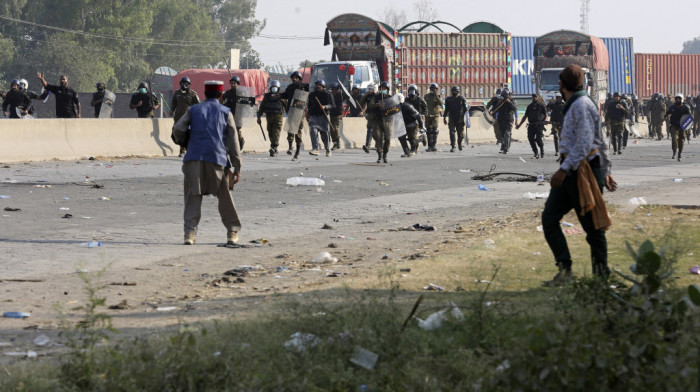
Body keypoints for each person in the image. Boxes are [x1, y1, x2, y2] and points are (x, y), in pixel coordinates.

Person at [542, 64, 617, 287]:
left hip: (580, 171)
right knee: (549, 218)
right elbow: (599, 139)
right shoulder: (577, 104)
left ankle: (601, 280)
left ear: (562, 84)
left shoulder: (581, 105)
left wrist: (564, 169)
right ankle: (565, 271)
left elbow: (586, 142)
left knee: (593, 228)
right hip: (574, 169)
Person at [171, 80, 242, 246]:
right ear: (221, 95)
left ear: (204, 94)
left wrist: (185, 142)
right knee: (225, 198)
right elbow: (233, 142)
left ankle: (189, 234)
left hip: (193, 159)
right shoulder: (225, 112)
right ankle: (232, 232)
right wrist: (237, 167)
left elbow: (177, 129)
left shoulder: (193, 110)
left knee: (192, 198)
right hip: (217, 160)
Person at [171, 77, 200, 157]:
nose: (184, 85)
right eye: (182, 83)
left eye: (186, 83)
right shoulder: (177, 93)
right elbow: (173, 103)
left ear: (189, 84)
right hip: (178, 117)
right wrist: (171, 111)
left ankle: (184, 151)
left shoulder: (193, 94)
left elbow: (198, 105)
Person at [365, 81, 394, 163]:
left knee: (387, 139)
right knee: (378, 137)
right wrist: (378, 105)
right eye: (381, 88)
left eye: (384, 88)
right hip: (377, 120)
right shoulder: (376, 97)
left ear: (387, 89)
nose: (383, 89)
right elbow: (370, 105)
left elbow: (394, 108)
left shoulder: (390, 97)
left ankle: (385, 154)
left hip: (387, 121)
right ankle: (379, 155)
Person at [281, 71, 308, 156]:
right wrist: (277, 95)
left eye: (296, 78)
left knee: (298, 130)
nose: (294, 79)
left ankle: (298, 150)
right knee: (290, 129)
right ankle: (290, 147)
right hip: (291, 111)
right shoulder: (290, 87)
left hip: (300, 111)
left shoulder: (304, 86)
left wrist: (303, 88)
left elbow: (309, 93)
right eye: (293, 77)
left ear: (299, 79)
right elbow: (285, 95)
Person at [256, 80, 286, 157]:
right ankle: (273, 146)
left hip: (278, 117)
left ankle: (274, 147)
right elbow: (262, 106)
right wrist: (259, 116)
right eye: (272, 87)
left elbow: (287, 106)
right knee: (270, 131)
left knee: (276, 132)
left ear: (278, 88)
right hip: (269, 117)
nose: (274, 89)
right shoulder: (267, 97)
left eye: (275, 87)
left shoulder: (281, 96)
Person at [306, 79, 334, 157]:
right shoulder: (312, 95)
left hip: (324, 116)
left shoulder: (327, 94)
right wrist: (308, 113)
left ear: (323, 86)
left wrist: (325, 107)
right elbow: (309, 106)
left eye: (320, 85)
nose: (318, 86)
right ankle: (315, 149)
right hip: (314, 116)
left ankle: (328, 149)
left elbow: (332, 105)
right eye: (317, 85)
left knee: (325, 134)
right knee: (313, 131)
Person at [517, 93, 548, 159]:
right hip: (531, 125)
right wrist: (519, 125)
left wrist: (545, 121)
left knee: (538, 139)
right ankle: (536, 153)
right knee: (530, 138)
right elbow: (525, 116)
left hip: (539, 125)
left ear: (537, 98)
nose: (534, 98)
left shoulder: (541, 105)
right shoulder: (529, 106)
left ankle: (542, 149)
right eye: (533, 97)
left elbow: (546, 114)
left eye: (535, 97)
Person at [664, 93, 691, 161]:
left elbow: (690, 117)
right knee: (674, 139)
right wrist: (664, 117)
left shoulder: (686, 107)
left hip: (682, 126)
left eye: (679, 99)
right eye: (677, 99)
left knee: (681, 140)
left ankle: (680, 153)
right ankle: (674, 152)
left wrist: (688, 126)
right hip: (674, 125)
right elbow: (668, 113)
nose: (678, 100)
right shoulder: (672, 107)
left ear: (681, 99)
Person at [398, 93, 424, 158]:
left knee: (411, 139)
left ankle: (415, 147)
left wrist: (421, 126)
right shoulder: (395, 108)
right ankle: (407, 152)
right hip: (404, 124)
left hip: (413, 123)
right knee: (401, 137)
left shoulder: (408, 106)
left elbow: (418, 115)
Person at [443, 86, 468, 152]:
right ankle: (453, 146)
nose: (454, 92)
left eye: (455, 91)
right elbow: (446, 109)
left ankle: (459, 143)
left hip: (460, 119)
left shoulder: (461, 98)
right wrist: (444, 117)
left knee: (460, 135)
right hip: (451, 118)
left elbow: (466, 109)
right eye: (453, 91)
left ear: (458, 92)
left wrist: (467, 119)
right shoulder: (448, 99)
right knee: (451, 132)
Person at [405, 84, 428, 154]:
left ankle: (413, 149)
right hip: (409, 119)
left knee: (413, 136)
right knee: (410, 136)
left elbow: (426, 108)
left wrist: (424, 114)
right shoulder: (406, 100)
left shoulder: (420, 100)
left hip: (418, 118)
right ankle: (420, 140)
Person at [492, 89, 517, 154]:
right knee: (502, 135)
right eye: (503, 96)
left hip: (509, 120)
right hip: (501, 120)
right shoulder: (500, 102)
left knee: (507, 133)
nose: (505, 97)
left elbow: (514, 109)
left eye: (506, 96)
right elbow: (496, 110)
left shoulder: (512, 101)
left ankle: (506, 148)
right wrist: (499, 103)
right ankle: (503, 147)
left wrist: (509, 102)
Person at [424, 83, 444, 151]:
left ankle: (434, 145)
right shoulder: (426, 96)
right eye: (432, 89)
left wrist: (436, 96)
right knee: (428, 131)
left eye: (434, 89)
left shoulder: (438, 96)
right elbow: (423, 104)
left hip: (435, 115)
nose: (433, 90)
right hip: (428, 115)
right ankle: (429, 146)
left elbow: (441, 104)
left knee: (435, 130)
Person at [359, 83, 377, 154]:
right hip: (370, 115)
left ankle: (379, 145)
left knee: (378, 131)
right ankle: (367, 146)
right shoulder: (368, 96)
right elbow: (361, 103)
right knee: (370, 129)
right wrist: (365, 96)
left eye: (371, 89)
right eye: (369, 89)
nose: (370, 90)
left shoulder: (378, 96)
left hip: (377, 115)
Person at [329, 82, 344, 150]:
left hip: (338, 114)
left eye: (335, 89)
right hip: (332, 114)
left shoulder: (339, 95)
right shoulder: (329, 95)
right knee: (331, 129)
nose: (333, 90)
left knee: (335, 128)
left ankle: (337, 141)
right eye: (332, 89)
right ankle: (334, 142)